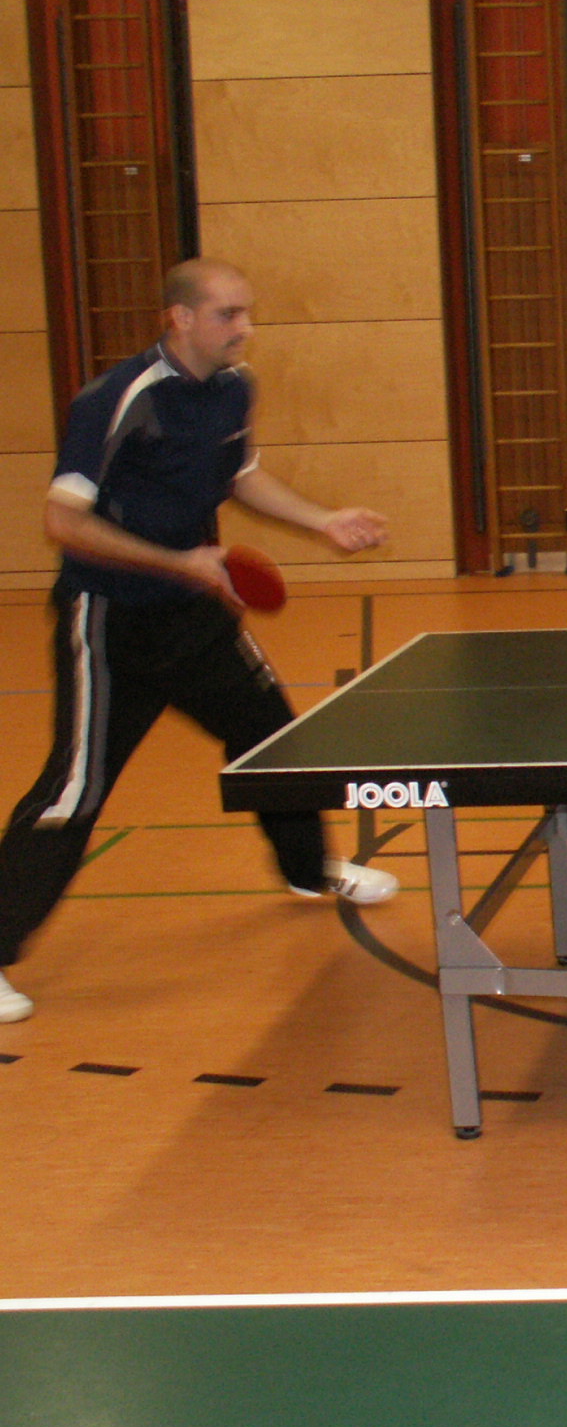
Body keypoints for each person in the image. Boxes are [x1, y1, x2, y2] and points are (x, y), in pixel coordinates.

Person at [0, 259, 399, 1026]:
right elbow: (63, 522)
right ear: (180, 318)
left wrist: (321, 520)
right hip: (110, 622)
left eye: (246, 312)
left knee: (272, 739)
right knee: (73, 789)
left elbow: (240, 476)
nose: (244, 328)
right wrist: (177, 561)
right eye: (227, 315)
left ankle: (308, 870)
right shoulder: (117, 398)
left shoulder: (232, 388)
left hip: (193, 614)